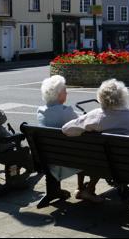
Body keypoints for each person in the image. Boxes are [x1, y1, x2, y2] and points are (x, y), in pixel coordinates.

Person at [62, 79, 129, 203]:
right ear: (123, 96)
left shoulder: (97, 116)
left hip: (105, 166)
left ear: (100, 98)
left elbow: (66, 129)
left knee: (96, 153)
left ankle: (87, 189)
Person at [37, 75, 101, 203]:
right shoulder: (66, 112)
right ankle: (85, 190)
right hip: (67, 161)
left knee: (76, 148)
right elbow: (82, 125)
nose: (67, 93)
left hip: (48, 158)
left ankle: (79, 188)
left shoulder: (40, 111)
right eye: (65, 91)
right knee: (95, 153)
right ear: (59, 94)